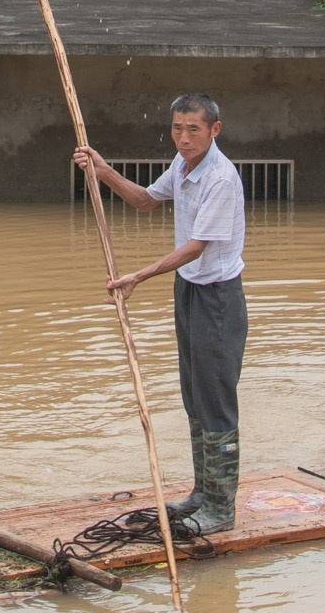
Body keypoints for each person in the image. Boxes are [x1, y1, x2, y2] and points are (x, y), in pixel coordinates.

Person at [80, 91, 247, 539]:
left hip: (218, 298)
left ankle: (220, 507)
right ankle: (202, 493)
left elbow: (197, 246)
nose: (184, 138)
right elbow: (146, 201)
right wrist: (104, 171)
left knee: (216, 400)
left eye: (194, 129)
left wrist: (139, 274)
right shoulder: (182, 164)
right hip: (190, 290)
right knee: (194, 394)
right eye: (177, 128)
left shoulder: (222, 178)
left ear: (215, 130)